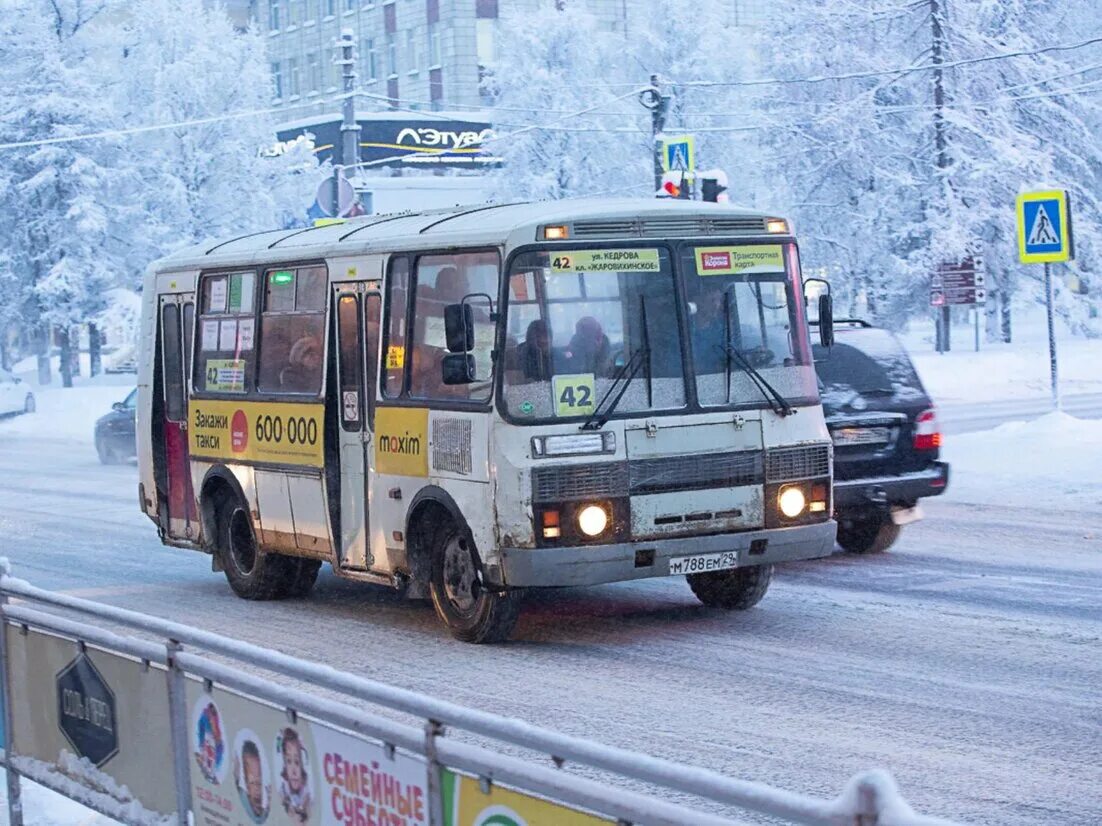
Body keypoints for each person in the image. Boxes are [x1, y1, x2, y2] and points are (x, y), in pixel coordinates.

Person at [278, 728, 311, 824]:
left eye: (297, 762)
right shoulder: (282, 791)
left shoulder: (308, 797)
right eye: (288, 761)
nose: (293, 771)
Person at [237, 740, 269, 823]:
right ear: (246, 783)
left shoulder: (268, 809)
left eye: (260, 783)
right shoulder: (242, 801)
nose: (257, 789)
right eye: (252, 783)